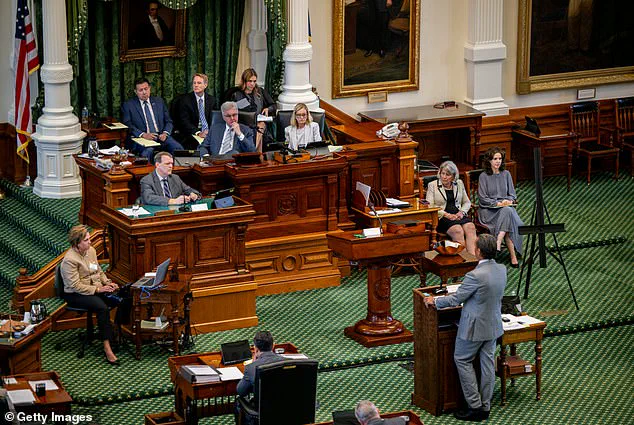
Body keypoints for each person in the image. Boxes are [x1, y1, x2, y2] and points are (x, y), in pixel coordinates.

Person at [424, 234, 505, 422]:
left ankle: (474, 406)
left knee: (462, 359)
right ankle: (486, 406)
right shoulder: (501, 269)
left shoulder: (474, 275)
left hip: (473, 328)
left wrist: (434, 300)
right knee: (487, 364)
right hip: (493, 325)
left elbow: (456, 299)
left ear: (478, 251)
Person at [60, 225, 121, 365]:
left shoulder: (91, 251)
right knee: (102, 308)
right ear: (77, 243)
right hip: (75, 294)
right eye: (86, 240)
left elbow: (98, 271)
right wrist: (98, 290)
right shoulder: (69, 260)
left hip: (95, 288)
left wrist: (108, 283)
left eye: (89, 239)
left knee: (123, 297)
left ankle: (115, 335)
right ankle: (107, 348)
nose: (90, 242)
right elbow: (75, 286)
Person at [478, 147, 524, 267]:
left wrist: (508, 201)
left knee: (507, 211)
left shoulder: (506, 174)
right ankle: (513, 257)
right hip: (489, 211)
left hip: (505, 209)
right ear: (489, 161)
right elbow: (482, 198)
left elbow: (513, 194)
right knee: (508, 215)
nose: (498, 161)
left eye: (500, 158)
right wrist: (497, 203)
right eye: (495, 159)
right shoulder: (483, 176)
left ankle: (498, 240)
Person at [121, 77, 183, 161]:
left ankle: (176, 169)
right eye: (141, 90)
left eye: (146, 89)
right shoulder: (129, 105)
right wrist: (143, 135)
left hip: (161, 136)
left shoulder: (159, 101)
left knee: (178, 148)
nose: (144, 92)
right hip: (142, 138)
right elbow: (128, 124)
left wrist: (165, 133)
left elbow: (168, 121)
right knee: (148, 152)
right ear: (135, 91)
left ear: (149, 88)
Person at [426, 161, 477, 255]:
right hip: (442, 217)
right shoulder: (432, 185)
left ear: (453, 176)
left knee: (471, 227)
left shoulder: (459, 183)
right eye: (442, 173)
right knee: (458, 230)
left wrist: (462, 212)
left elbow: (467, 202)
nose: (444, 177)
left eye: (448, 175)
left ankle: (473, 258)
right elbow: (430, 206)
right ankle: (463, 259)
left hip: (458, 214)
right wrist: (447, 215)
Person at [235, 330, 284, 423]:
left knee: (239, 401)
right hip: (288, 409)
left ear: (255, 349)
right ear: (273, 346)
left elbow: (241, 391)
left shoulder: (251, 368)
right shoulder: (290, 362)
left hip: (265, 414)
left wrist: (253, 364)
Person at [231, 68, 276, 151]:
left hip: (259, 122)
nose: (252, 84)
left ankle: (255, 151)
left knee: (261, 125)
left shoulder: (260, 92)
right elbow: (233, 112)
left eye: (254, 81)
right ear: (244, 81)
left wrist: (268, 109)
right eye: (250, 81)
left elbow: (273, 105)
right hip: (245, 123)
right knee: (257, 127)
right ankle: (256, 152)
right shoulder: (237, 94)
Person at [174, 73, 217, 148]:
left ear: (205, 85)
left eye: (199, 83)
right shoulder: (185, 100)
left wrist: (210, 131)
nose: (196, 85)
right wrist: (198, 133)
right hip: (192, 133)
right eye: (194, 83)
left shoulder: (212, 100)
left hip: (209, 132)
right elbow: (184, 122)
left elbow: (214, 119)